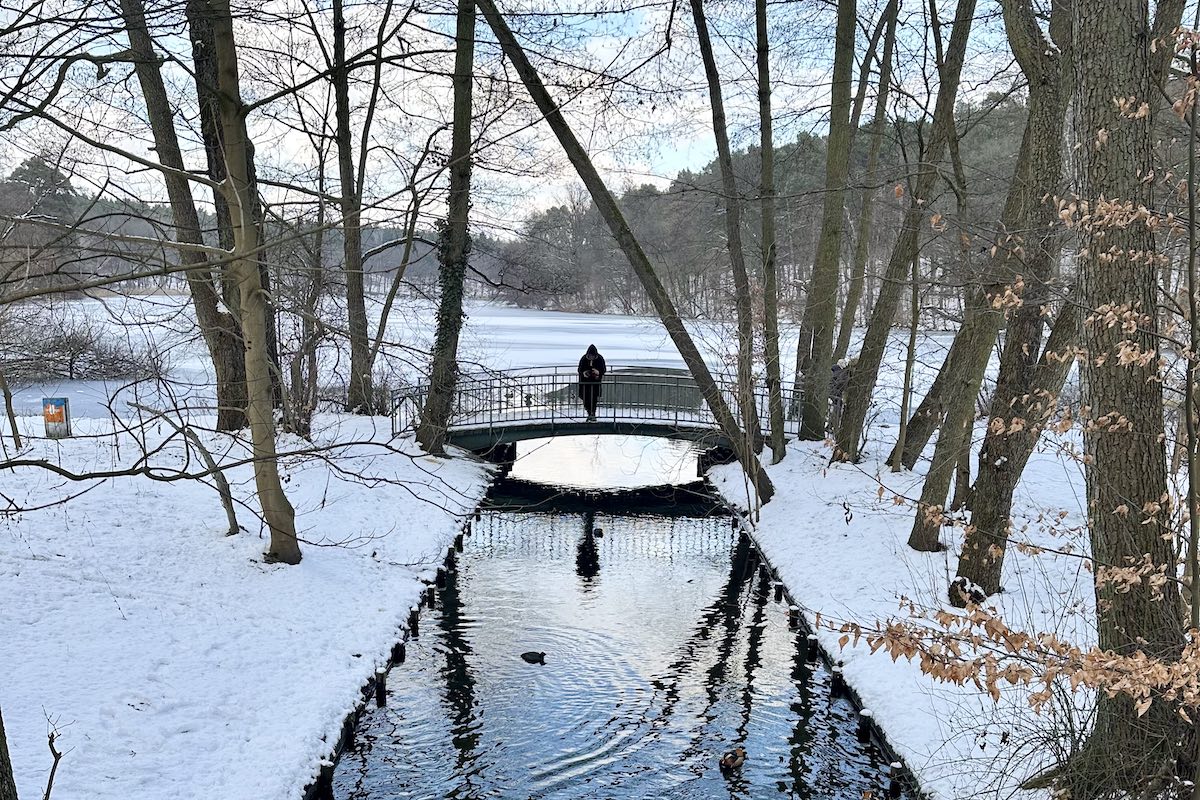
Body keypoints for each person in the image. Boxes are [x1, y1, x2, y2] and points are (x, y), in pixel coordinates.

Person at [577, 344, 607, 421]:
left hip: (595, 384)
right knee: (586, 399)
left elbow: (603, 370)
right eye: (590, 356)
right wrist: (584, 373)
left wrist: (598, 372)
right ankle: (589, 413)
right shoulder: (584, 359)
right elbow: (579, 370)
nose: (591, 357)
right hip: (585, 384)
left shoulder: (600, 359)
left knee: (593, 399)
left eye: (593, 356)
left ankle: (592, 414)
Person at [829, 357, 852, 430]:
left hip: (832, 393)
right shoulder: (841, 373)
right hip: (837, 393)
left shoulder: (834, 371)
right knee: (837, 410)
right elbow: (842, 383)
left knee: (836, 410)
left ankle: (830, 426)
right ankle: (833, 427)